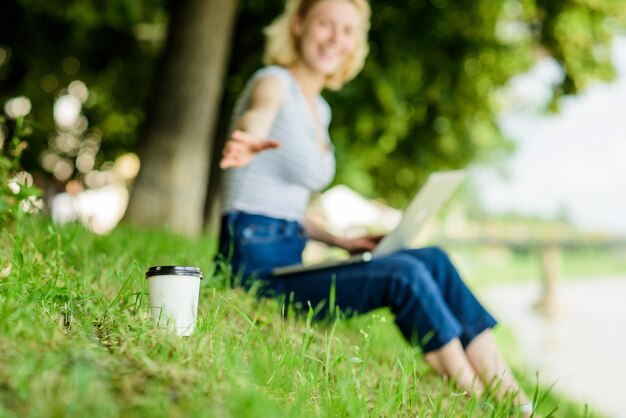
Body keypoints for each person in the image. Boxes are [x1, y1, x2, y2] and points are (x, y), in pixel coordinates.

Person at [217, 0, 534, 414]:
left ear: (356, 43)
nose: (335, 38)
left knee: (433, 259)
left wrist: (338, 240)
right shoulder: (273, 81)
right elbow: (258, 115)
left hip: (287, 256)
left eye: (347, 30)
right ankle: (472, 397)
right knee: (402, 274)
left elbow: (286, 209)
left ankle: (516, 400)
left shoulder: (320, 109)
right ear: (298, 24)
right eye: (325, 24)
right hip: (254, 274)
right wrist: (248, 137)